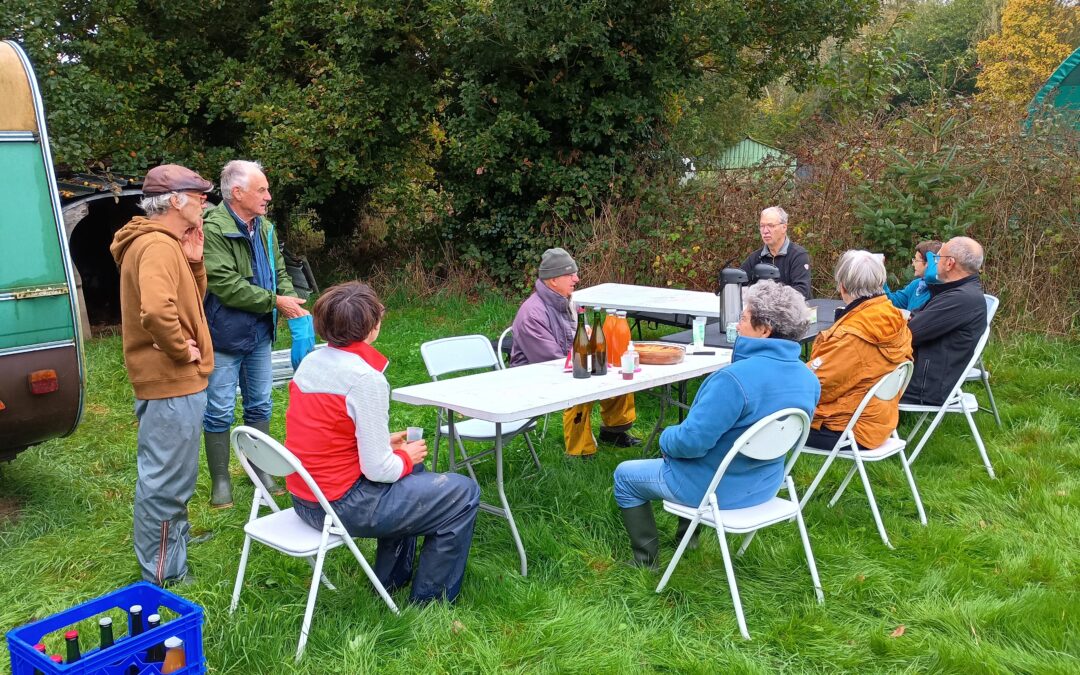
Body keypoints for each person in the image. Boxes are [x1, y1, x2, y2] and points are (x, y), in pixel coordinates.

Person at [285, 282, 481, 604]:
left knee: (413, 470)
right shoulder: (365, 378)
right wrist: (403, 457)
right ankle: (432, 600)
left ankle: (391, 578)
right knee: (462, 492)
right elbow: (379, 471)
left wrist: (386, 444)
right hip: (339, 506)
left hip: (305, 498)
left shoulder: (311, 363)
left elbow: (328, 432)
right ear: (372, 326)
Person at [612, 281, 821, 568]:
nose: (737, 324)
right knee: (694, 453)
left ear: (765, 329)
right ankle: (690, 539)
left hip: (715, 489)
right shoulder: (808, 378)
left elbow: (691, 443)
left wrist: (665, 438)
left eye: (744, 318)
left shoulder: (733, 380)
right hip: (766, 485)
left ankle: (645, 563)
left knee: (626, 476)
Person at [109, 164, 215, 585]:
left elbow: (188, 302)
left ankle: (173, 547)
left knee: (173, 473)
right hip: (171, 381)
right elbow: (155, 310)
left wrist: (195, 263)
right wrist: (178, 347)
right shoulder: (155, 246)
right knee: (166, 481)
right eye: (200, 194)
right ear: (175, 200)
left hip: (176, 382)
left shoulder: (169, 245)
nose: (205, 201)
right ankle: (163, 571)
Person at [201, 160, 308, 508]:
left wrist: (290, 300)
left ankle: (260, 470)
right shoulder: (212, 229)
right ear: (237, 193)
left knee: (260, 402)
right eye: (261, 190)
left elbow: (279, 272)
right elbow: (227, 286)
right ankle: (221, 480)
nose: (268, 196)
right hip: (223, 335)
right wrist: (277, 301)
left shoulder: (265, 228)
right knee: (219, 409)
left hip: (261, 333)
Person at [510, 247, 639, 458]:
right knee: (581, 389)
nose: (577, 279)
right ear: (553, 280)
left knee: (619, 372)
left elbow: (576, 344)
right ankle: (580, 452)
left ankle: (614, 432)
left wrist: (590, 342)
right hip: (535, 375)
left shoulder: (568, 301)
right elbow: (551, 361)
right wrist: (588, 355)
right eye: (571, 275)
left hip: (570, 364)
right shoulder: (532, 314)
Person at [806, 251, 913, 451]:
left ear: (842, 287)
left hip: (849, 428)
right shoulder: (894, 317)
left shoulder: (852, 335)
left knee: (758, 422)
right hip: (879, 420)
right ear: (880, 282)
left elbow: (815, 387)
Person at [901, 236, 987, 406]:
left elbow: (909, 333)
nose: (934, 262)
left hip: (923, 387)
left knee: (847, 380)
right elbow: (917, 317)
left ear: (949, 263)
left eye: (937, 257)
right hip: (917, 373)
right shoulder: (955, 292)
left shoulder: (961, 299)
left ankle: (848, 430)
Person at [740, 206, 812, 299]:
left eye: (771, 226)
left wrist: (768, 299)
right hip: (763, 311)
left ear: (784, 227)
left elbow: (802, 291)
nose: (765, 231)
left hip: (793, 311)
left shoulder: (798, 255)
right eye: (762, 226)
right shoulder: (756, 258)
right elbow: (739, 283)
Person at [884, 240, 942, 311]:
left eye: (916, 260)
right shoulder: (916, 284)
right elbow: (893, 302)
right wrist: (880, 277)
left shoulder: (941, 291)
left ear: (929, 263)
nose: (913, 264)